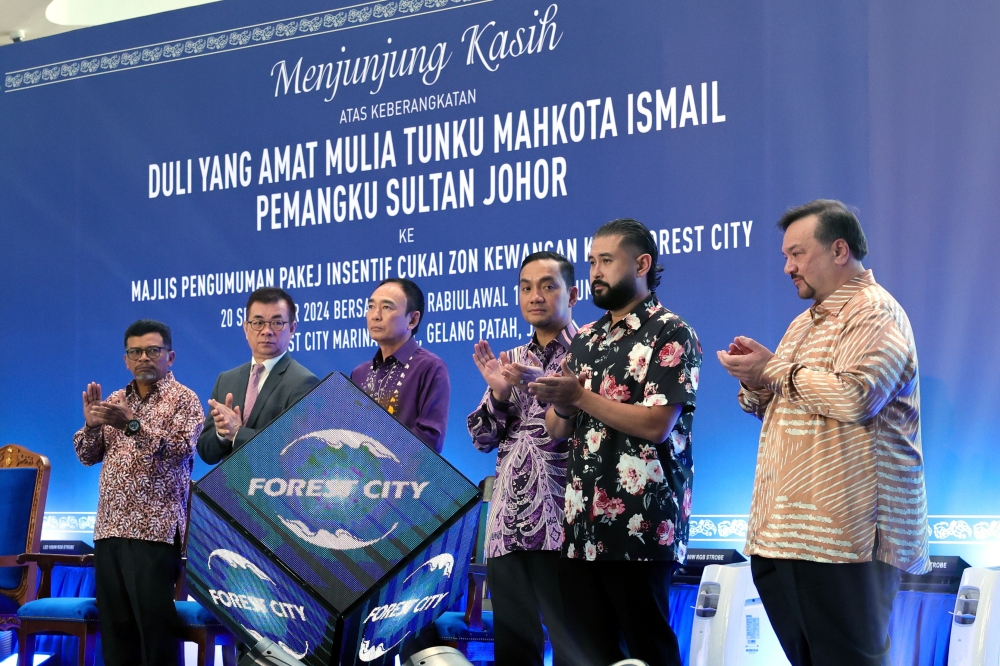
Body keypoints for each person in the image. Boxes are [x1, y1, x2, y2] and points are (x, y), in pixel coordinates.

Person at [717, 199, 929, 666]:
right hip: (783, 539)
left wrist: (773, 367)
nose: (788, 267)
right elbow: (784, 405)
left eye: (797, 253)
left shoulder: (875, 313)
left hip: (845, 545)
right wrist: (755, 380)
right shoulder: (803, 324)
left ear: (839, 250)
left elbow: (856, 397)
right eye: (785, 257)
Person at [529, 219, 702, 666]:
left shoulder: (671, 332)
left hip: (640, 526)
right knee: (589, 655)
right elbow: (557, 429)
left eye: (606, 261)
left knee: (648, 652)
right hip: (582, 527)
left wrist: (580, 396)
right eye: (591, 262)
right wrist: (562, 404)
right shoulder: (585, 338)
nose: (594, 272)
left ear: (642, 264)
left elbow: (656, 425)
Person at [467, 251, 580, 666]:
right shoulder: (511, 359)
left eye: (548, 285)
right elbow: (481, 439)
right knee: (515, 649)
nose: (536, 296)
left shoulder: (590, 352)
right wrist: (498, 394)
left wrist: (555, 392)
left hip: (564, 523)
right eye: (526, 287)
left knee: (575, 644)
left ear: (572, 293)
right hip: (507, 524)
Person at [74, 319, 203, 666]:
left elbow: (179, 449)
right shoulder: (115, 400)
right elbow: (87, 456)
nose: (144, 357)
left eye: (153, 350)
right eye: (135, 351)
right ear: (126, 359)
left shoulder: (184, 401)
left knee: (155, 632)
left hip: (154, 532)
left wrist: (132, 425)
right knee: (116, 632)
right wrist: (91, 425)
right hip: (109, 529)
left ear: (170, 357)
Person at [197, 287, 319, 464]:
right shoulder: (226, 380)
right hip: (226, 490)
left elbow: (295, 452)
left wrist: (238, 433)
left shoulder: (304, 383)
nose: (266, 331)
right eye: (258, 323)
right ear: (246, 328)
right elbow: (207, 453)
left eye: (277, 323)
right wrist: (222, 433)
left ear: (292, 328)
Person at [352, 278, 450, 452]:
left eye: (387, 307)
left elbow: (429, 440)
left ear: (412, 319)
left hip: (408, 477)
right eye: (371, 307)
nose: (375, 315)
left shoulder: (430, 368)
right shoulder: (359, 373)